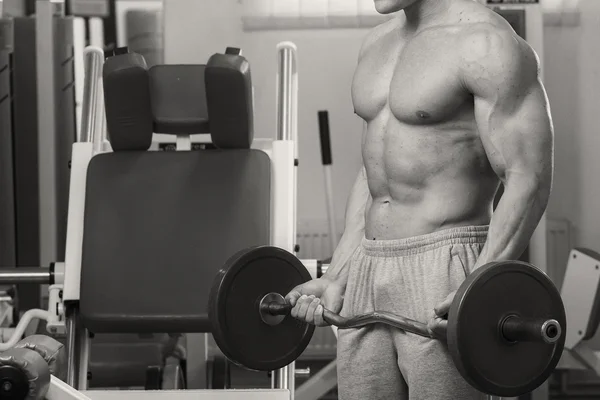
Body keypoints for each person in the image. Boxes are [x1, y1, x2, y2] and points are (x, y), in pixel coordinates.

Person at [286, 0, 554, 399]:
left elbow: (527, 177)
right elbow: (376, 170)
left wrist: (477, 290)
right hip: (368, 263)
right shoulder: (377, 43)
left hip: (443, 267)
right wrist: (340, 272)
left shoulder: (487, 44)